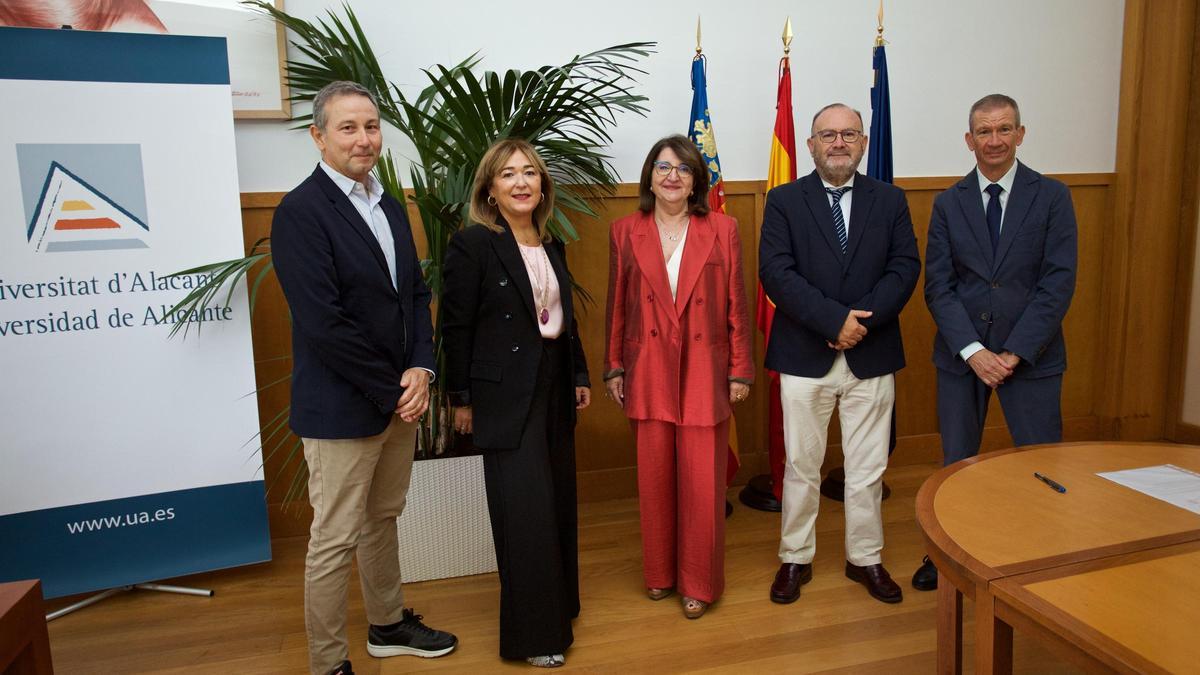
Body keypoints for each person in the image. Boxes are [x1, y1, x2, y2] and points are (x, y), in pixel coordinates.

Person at [270, 81, 457, 675]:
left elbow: (415, 295)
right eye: (347, 128)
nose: (363, 138)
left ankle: (387, 624)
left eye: (371, 126)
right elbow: (324, 323)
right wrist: (394, 389)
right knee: (334, 540)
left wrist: (422, 370)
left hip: (400, 397)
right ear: (318, 136)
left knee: (383, 519)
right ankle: (328, 663)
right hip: (344, 408)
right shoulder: (300, 211)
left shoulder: (389, 204)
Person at [913, 94, 1077, 591]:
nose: (994, 140)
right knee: (957, 464)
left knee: (1039, 463)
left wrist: (1013, 352)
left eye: (1004, 129)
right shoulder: (948, 202)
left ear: (1021, 134)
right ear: (969, 140)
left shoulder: (1052, 197)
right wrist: (974, 351)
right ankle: (946, 558)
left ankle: (1039, 556)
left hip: (1032, 355)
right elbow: (937, 286)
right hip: (963, 358)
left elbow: (1058, 282)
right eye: (984, 132)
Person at [759, 103, 920, 606]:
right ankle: (795, 558)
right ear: (810, 145)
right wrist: (833, 322)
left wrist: (859, 325)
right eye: (827, 135)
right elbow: (776, 272)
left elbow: (904, 268)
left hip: (870, 354)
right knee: (801, 466)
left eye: (848, 134)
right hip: (804, 355)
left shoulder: (890, 200)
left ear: (864, 143)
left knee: (867, 468)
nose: (838, 143)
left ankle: (865, 557)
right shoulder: (784, 200)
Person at [442, 138, 591, 668]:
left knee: (557, 503)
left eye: (530, 172)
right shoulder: (473, 245)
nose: (522, 182)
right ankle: (534, 637)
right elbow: (454, 327)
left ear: (543, 184)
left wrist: (578, 373)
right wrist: (460, 399)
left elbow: (561, 320)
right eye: (508, 175)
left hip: (553, 388)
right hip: (503, 394)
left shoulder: (553, 245)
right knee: (524, 510)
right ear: (490, 188)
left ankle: (559, 606)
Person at [603, 135, 754, 620]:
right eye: (663, 167)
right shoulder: (625, 230)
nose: (672, 176)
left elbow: (736, 303)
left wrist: (740, 369)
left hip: (705, 370)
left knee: (701, 484)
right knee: (655, 477)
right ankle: (659, 574)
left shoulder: (723, 228)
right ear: (649, 176)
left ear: (696, 181)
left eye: (684, 169)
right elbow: (617, 305)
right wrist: (614, 366)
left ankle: (699, 582)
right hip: (646, 368)